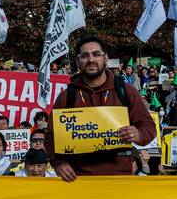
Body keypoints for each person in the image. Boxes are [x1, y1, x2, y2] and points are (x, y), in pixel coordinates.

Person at [48, 37, 156, 182]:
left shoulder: (126, 91)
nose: (91, 59)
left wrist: (139, 134)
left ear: (106, 59)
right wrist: (58, 162)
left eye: (96, 54)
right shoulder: (67, 96)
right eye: (85, 56)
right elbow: (50, 137)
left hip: (119, 178)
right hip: (77, 179)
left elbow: (148, 126)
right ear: (78, 61)